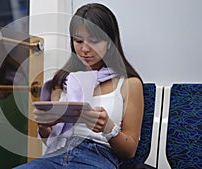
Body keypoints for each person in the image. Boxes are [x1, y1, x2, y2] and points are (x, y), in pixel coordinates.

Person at [14, 3, 144, 169]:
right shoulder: (62, 81)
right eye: (78, 41)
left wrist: (108, 127)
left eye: (94, 41)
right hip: (57, 156)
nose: (84, 49)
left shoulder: (128, 84)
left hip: (98, 156)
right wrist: (44, 126)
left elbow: (129, 151)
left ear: (110, 42)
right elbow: (50, 141)